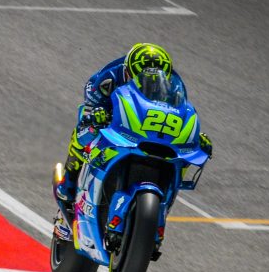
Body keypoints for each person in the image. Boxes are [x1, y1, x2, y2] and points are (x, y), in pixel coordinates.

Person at [56, 42, 212, 206]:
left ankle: (168, 192)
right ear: (127, 72)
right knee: (85, 130)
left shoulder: (174, 84)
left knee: (181, 154)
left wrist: (192, 137)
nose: (150, 83)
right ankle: (68, 182)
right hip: (108, 106)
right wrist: (97, 115)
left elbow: (178, 110)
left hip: (145, 118)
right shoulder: (107, 80)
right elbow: (90, 108)